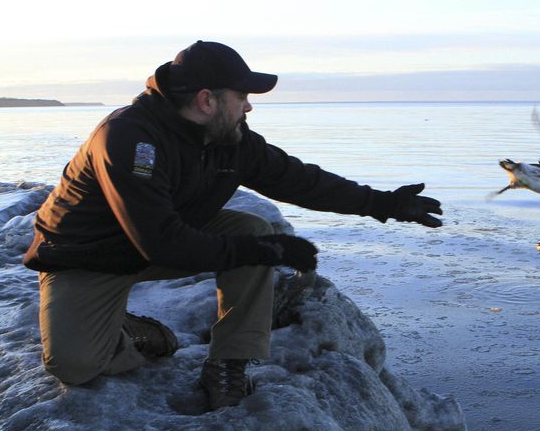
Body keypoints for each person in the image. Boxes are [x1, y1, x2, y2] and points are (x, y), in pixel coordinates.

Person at [23, 41, 442, 410]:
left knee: (253, 230)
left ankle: (228, 364)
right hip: (87, 257)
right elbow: (161, 243)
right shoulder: (130, 139)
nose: (249, 106)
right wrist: (261, 253)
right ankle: (125, 329)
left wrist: (381, 203)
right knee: (75, 366)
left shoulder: (231, 138)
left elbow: (298, 179)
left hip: (165, 236)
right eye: (242, 96)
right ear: (207, 100)